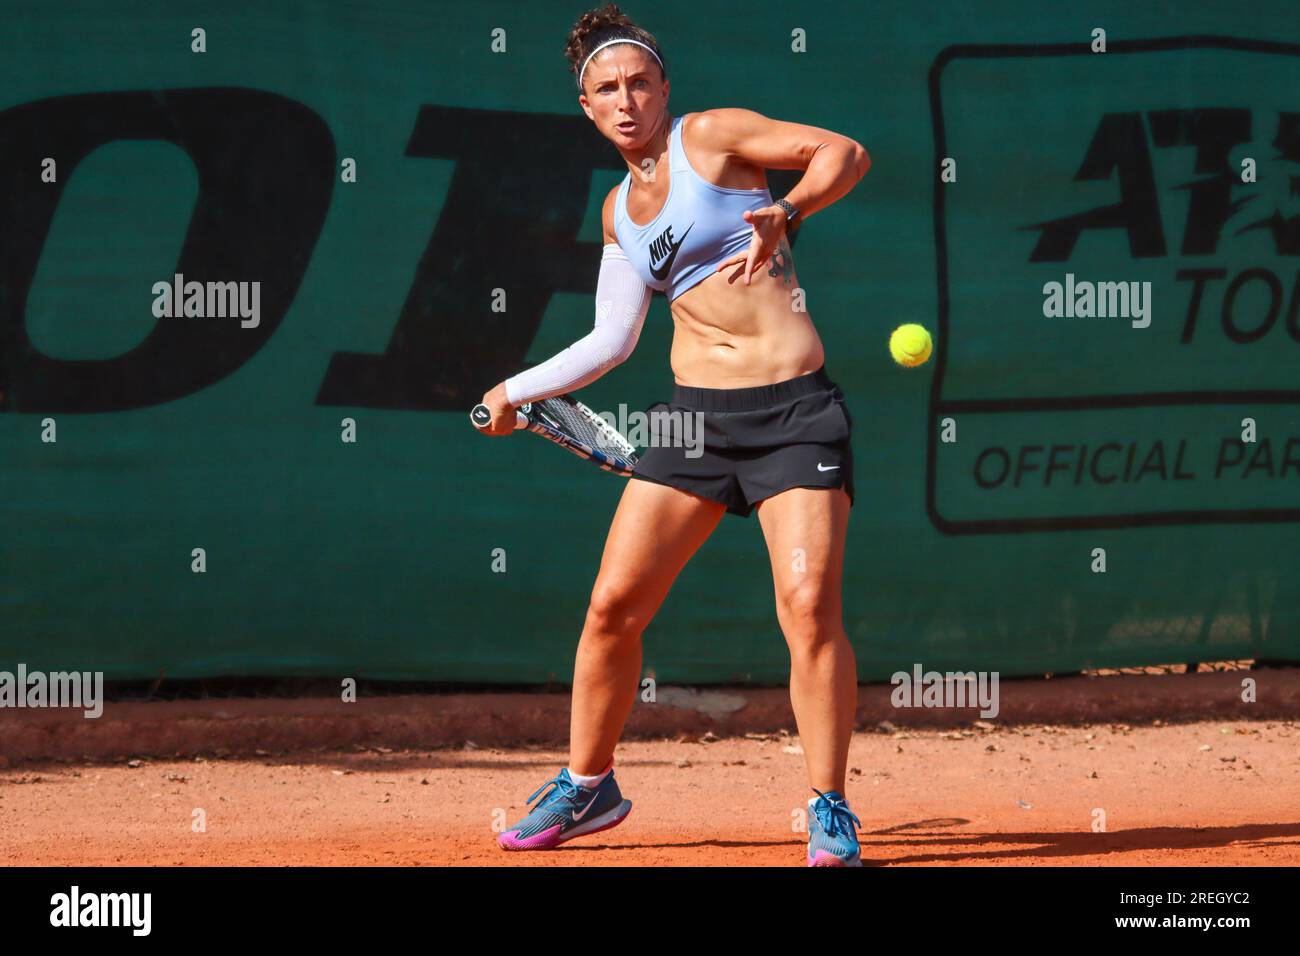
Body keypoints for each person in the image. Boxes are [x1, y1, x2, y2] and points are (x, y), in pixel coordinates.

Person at [475, 2, 871, 866]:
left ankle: (829, 805)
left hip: (795, 411)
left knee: (808, 610)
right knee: (613, 607)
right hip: (694, 419)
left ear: (664, 87)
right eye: (606, 89)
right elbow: (611, 342)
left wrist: (790, 211)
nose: (626, 100)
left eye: (639, 82)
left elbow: (845, 152)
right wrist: (516, 387)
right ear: (587, 107)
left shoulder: (717, 138)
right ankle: (589, 787)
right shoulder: (620, 213)